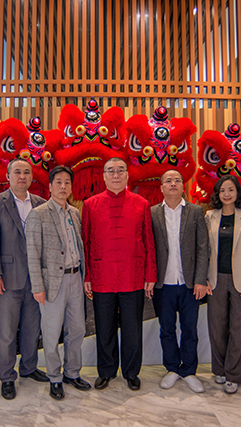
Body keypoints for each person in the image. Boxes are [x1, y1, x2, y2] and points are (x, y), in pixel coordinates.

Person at [82, 157, 157, 391]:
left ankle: (131, 372)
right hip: (101, 275)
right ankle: (106, 371)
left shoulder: (141, 203)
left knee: (132, 328)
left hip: (132, 275)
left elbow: (149, 241)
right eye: (111, 171)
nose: (116, 174)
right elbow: (85, 242)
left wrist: (150, 275)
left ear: (127, 175)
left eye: (120, 170)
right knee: (104, 327)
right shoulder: (90, 204)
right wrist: (87, 275)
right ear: (104, 176)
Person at [0, 158, 48, 400]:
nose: (22, 176)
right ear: (8, 176)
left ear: (32, 177)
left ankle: (29, 367)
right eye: (17, 172)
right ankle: (7, 376)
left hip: (36, 279)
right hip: (8, 278)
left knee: (32, 328)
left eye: (27, 172)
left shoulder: (41, 203)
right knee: (6, 331)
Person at [26, 165, 91, 400]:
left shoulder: (74, 213)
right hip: (52, 283)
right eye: (58, 182)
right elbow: (32, 253)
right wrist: (37, 287)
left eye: (67, 183)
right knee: (52, 332)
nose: (63, 187)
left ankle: (72, 373)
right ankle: (54, 376)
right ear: (50, 186)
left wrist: (85, 277)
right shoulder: (39, 214)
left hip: (75, 278)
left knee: (77, 329)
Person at [150, 170, 209, 393]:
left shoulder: (195, 211)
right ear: (161, 187)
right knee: (166, 329)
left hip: (190, 283)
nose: (173, 183)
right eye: (168, 181)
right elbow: (149, 248)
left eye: (177, 180)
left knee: (189, 329)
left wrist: (201, 279)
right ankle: (172, 368)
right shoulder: (153, 212)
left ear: (183, 186)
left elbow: (203, 247)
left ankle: (189, 371)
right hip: (163, 284)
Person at [205, 175, 241, 394]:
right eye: (222, 191)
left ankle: (234, 374)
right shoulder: (210, 216)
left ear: (237, 193)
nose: (226, 194)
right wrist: (204, 278)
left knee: (240, 327)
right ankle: (220, 369)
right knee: (217, 326)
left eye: (231, 190)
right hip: (215, 279)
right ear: (217, 194)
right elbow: (205, 250)